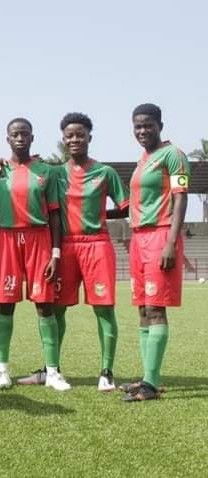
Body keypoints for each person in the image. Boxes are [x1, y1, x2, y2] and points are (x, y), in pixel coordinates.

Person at [16, 113, 129, 391]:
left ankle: (106, 372)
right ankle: (51, 369)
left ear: (90, 137)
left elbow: (126, 206)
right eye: (69, 136)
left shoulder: (105, 172)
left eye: (80, 134)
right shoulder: (55, 173)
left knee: (104, 309)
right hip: (64, 246)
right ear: (63, 140)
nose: (75, 139)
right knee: (56, 309)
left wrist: (101, 213)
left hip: (97, 244)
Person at [0, 118, 70, 391]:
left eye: (24, 134)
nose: (19, 138)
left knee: (44, 305)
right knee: (5, 305)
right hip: (6, 239)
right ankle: (2, 370)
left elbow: (55, 214)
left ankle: (53, 371)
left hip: (39, 239)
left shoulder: (47, 171)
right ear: (7, 139)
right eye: (14, 134)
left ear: (32, 138)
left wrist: (55, 254)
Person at [120, 103, 190, 401]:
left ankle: (150, 386)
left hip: (161, 235)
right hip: (139, 238)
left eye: (148, 125)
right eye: (137, 126)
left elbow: (180, 197)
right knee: (142, 309)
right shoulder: (143, 159)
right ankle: (149, 378)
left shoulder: (174, 155)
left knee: (155, 308)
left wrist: (171, 242)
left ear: (160, 124)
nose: (142, 131)